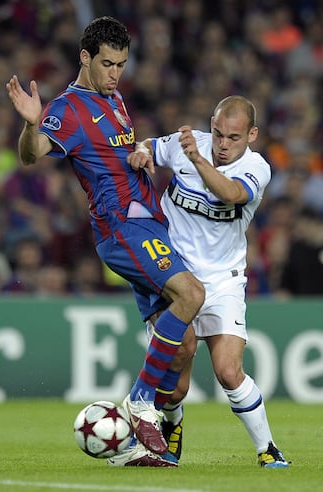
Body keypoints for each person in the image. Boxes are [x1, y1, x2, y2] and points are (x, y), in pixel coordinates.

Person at [5, 16, 205, 467]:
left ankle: (128, 451)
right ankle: (138, 401)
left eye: (121, 64)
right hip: (124, 229)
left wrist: (140, 154)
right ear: (85, 58)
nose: (116, 73)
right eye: (108, 64)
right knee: (192, 293)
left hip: (149, 226)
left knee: (185, 348)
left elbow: (114, 152)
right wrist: (30, 124)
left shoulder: (112, 98)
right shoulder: (69, 107)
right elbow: (33, 154)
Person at [111, 95, 290, 468]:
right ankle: (171, 430)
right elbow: (150, 146)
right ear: (212, 123)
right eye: (219, 134)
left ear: (252, 135)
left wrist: (196, 159)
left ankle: (268, 449)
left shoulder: (257, 168)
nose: (223, 145)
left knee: (228, 371)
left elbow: (231, 194)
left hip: (223, 279)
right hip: (172, 273)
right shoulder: (187, 142)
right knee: (177, 376)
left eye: (234, 138)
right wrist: (142, 151)